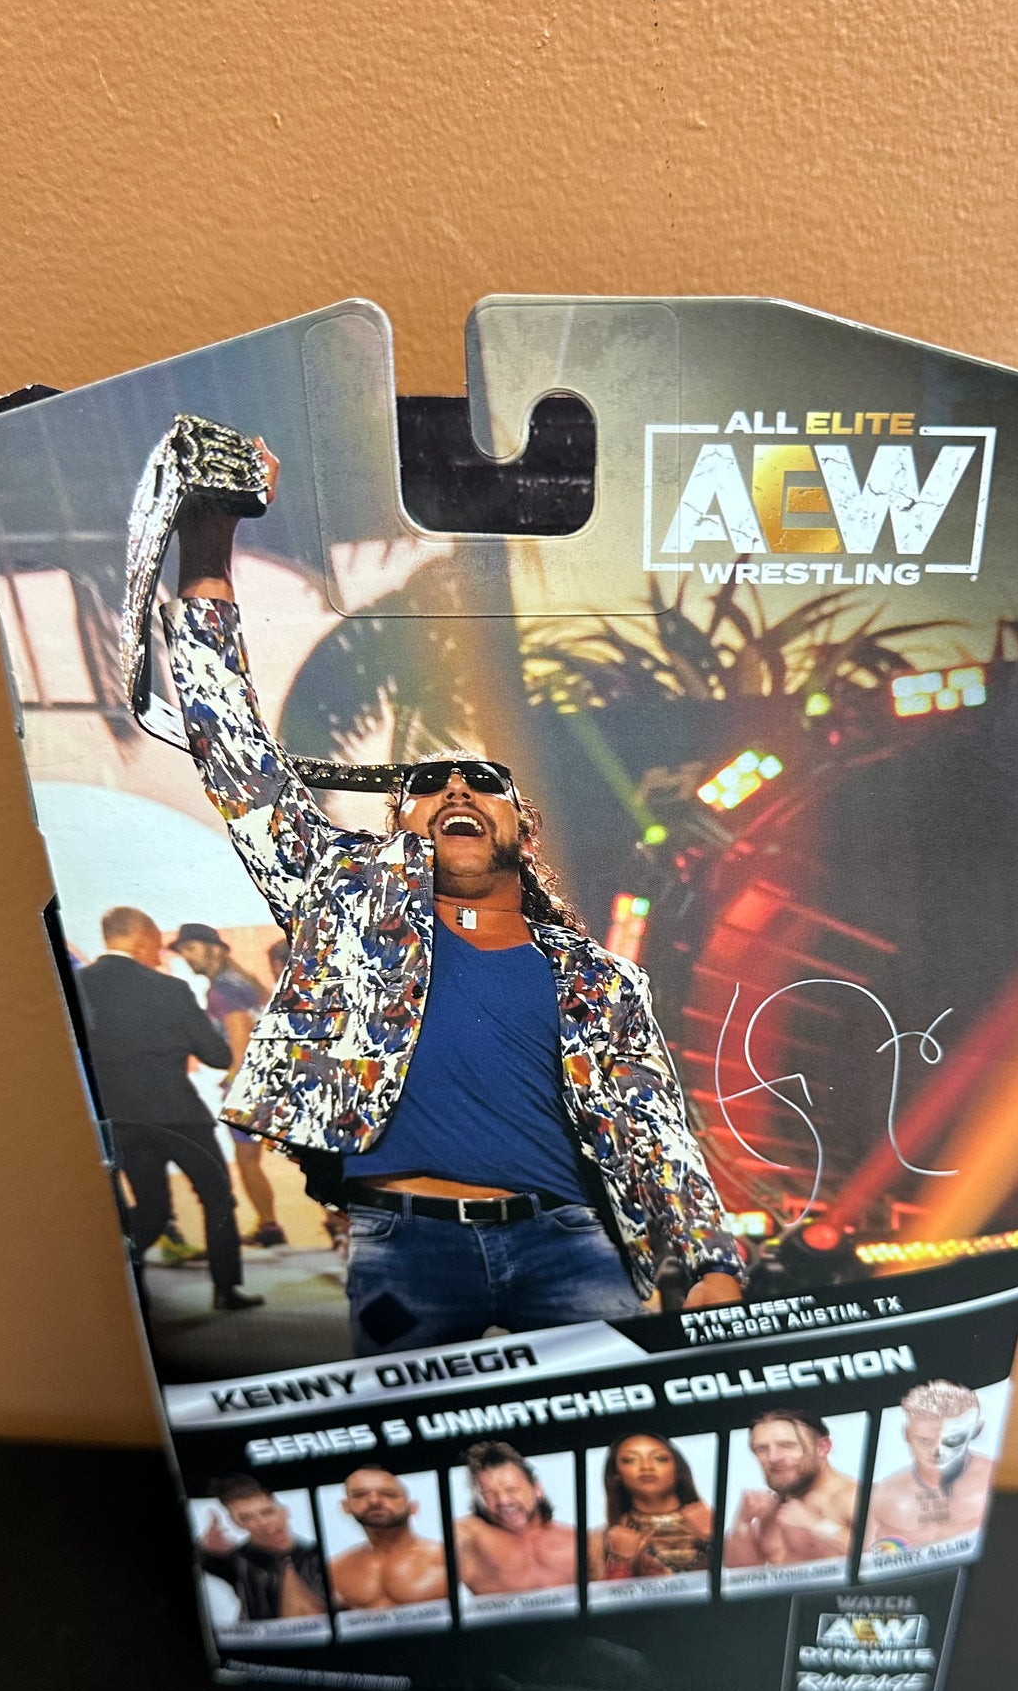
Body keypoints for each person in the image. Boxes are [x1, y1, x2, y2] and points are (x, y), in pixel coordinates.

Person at [139, 419, 745, 1354]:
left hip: (571, 1247)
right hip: (407, 1251)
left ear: (521, 829)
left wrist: (706, 1259)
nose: (456, 788)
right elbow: (236, 754)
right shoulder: (344, 905)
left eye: (483, 782)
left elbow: (650, 1124)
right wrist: (209, 541)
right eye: (428, 783)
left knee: (613, 1436)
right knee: (413, 1448)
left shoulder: (596, 979)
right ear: (400, 825)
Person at [75, 906, 263, 1312]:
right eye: (157, 946)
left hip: (121, 1118)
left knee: (153, 1209)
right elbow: (215, 1056)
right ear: (142, 937)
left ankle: (122, 1287)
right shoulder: (171, 989)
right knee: (216, 1196)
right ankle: (226, 1290)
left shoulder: (77, 987)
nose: (159, 955)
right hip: (179, 1116)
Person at [169, 922, 288, 1248]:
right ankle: (283, 1225)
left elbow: (239, 1033)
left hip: (251, 1087)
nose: (186, 956)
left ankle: (270, 1227)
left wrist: (235, 1079)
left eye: (191, 948)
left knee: (248, 1160)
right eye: (183, 951)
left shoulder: (222, 989)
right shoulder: (242, 982)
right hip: (273, 1080)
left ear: (214, 949)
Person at [864, 1381, 995, 1552]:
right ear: (907, 1434)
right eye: (925, 1441)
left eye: (953, 1440)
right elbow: (864, 1558)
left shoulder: (993, 1479)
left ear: (975, 1431)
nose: (938, 1452)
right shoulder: (881, 1495)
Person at [721, 1411, 858, 1568]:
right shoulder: (767, 1511)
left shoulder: (853, 1497)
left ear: (822, 1447)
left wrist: (818, 1525)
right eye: (762, 1448)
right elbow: (737, 1572)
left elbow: (878, 1556)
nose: (773, 1458)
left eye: (787, 1446)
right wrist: (742, 1522)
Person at [454, 1441, 577, 1595]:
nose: (503, 1501)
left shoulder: (574, 1540)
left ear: (537, 1489)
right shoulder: (472, 1539)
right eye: (489, 1494)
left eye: (511, 1489)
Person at [587, 1432, 713, 1581]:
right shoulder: (600, 1542)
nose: (646, 1467)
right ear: (616, 1475)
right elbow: (598, 1594)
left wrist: (713, 1538)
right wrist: (620, 1563)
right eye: (630, 1460)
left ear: (678, 1469)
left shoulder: (711, 1521)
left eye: (660, 1458)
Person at [198, 1476, 327, 1620]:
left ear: (284, 1511)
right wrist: (205, 1551)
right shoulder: (236, 1561)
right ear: (237, 1523)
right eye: (246, 1518)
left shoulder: (318, 1556)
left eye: (267, 1512)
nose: (262, 1523)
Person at [327, 1468, 449, 1610]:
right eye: (360, 1495)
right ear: (345, 1506)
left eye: (388, 1494)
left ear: (413, 1507)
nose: (373, 1501)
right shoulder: (334, 1570)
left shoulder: (447, 1557)